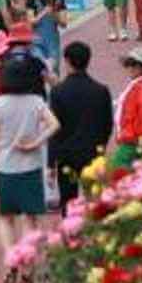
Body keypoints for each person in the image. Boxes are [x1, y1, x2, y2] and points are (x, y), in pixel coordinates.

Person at [0, 48, 60, 261]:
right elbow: (54, 125)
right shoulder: (35, 101)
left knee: (6, 218)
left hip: (5, 166)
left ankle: (11, 257)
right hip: (31, 165)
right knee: (30, 218)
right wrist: (36, 142)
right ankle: (27, 260)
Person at [48, 42, 113, 211]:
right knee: (94, 201)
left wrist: (50, 162)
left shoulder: (58, 92)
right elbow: (108, 124)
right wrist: (101, 147)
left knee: (68, 202)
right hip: (92, 152)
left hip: (66, 155)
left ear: (67, 61)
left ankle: (70, 234)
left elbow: (54, 129)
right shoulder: (101, 90)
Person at [111, 48, 142, 168]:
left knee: (115, 172)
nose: (130, 68)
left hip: (131, 140)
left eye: (134, 64)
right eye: (128, 64)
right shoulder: (137, 85)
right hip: (128, 138)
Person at [26, 0, 67, 78]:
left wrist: (54, 14)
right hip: (36, 40)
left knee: (54, 69)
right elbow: (31, 22)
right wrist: (43, 12)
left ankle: (55, 92)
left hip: (52, 40)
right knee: (39, 69)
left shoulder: (58, 0)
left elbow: (64, 24)